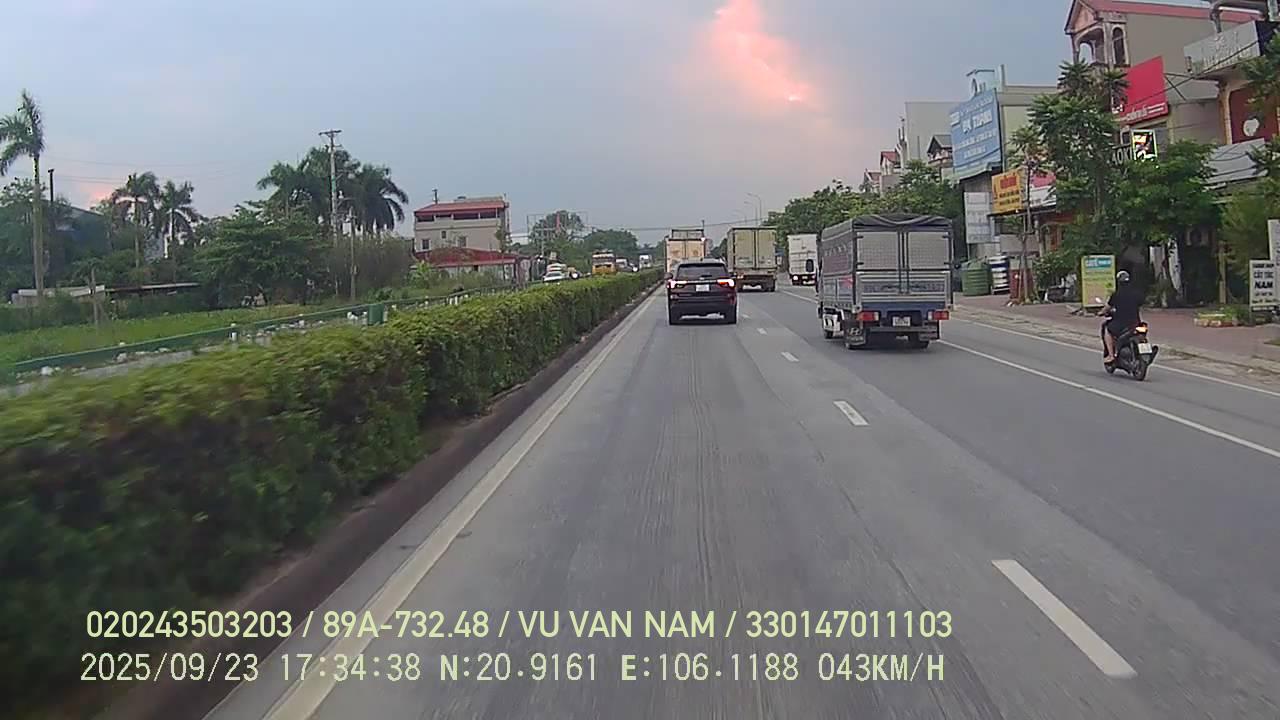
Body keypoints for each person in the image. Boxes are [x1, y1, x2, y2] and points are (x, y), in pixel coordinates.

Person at [1102, 270, 1143, 364]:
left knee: (1108, 330)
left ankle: (1111, 355)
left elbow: (1107, 308)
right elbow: (1140, 303)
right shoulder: (1136, 293)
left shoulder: (1116, 294)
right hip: (1135, 322)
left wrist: (1101, 312)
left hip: (1121, 323)